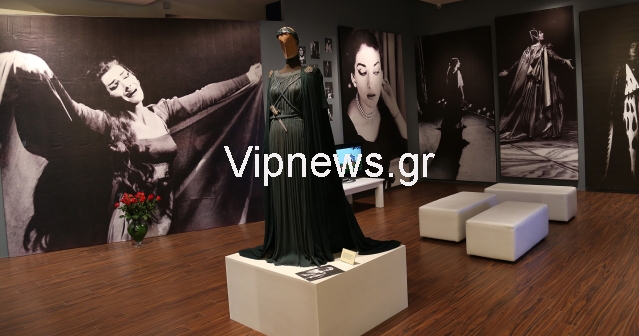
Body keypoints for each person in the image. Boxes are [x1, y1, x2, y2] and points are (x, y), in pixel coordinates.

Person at [3, 50, 262, 243]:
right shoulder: (109, 123)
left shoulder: (161, 112)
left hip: (164, 211)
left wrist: (248, 78)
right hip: (132, 220)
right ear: (107, 96)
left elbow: (204, 96)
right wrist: (46, 75)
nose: (127, 85)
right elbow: (74, 110)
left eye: (126, 76)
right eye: (114, 86)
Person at [239, 27, 399, 267]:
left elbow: (319, 119)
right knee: (283, 191)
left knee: (303, 191)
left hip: (301, 139)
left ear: (296, 43)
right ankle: (286, 243)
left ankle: (306, 242)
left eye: (288, 42)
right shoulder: (272, 76)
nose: (285, 47)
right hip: (277, 142)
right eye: (281, 43)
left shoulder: (311, 74)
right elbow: (270, 113)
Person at [344, 29, 407, 182]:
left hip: (385, 195)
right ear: (353, 78)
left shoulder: (385, 110)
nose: (371, 83)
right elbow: (349, 179)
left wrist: (395, 110)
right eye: (362, 72)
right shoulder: (346, 123)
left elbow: (408, 154)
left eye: (376, 71)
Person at [498, 28, 574, 143]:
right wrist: (509, 70)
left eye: (542, 32)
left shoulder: (545, 47)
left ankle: (542, 130)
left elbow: (553, 55)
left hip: (543, 80)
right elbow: (519, 61)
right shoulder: (528, 50)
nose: (543, 34)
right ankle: (530, 130)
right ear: (536, 36)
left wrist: (564, 60)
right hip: (532, 80)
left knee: (544, 103)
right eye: (540, 32)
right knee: (531, 104)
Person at [605, 41, 639, 184]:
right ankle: (633, 176)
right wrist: (613, 109)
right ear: (629, 50)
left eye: (638, 46)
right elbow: (616, 89)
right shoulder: (622, 67)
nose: (635, 49)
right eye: (632, 46)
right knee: (631, 141)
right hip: (628, 106)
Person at [441, 58, 466, 132]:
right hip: (455, 93)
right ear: (456, 63)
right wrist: (462, 94)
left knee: (452, 108)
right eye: (458, 62)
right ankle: (456, 124)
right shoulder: (456, 72)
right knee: (456, 108)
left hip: (451, 93)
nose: (459, 63)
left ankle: (452, 124)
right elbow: (460, 85)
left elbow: (448, 84)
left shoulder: (449, 72)